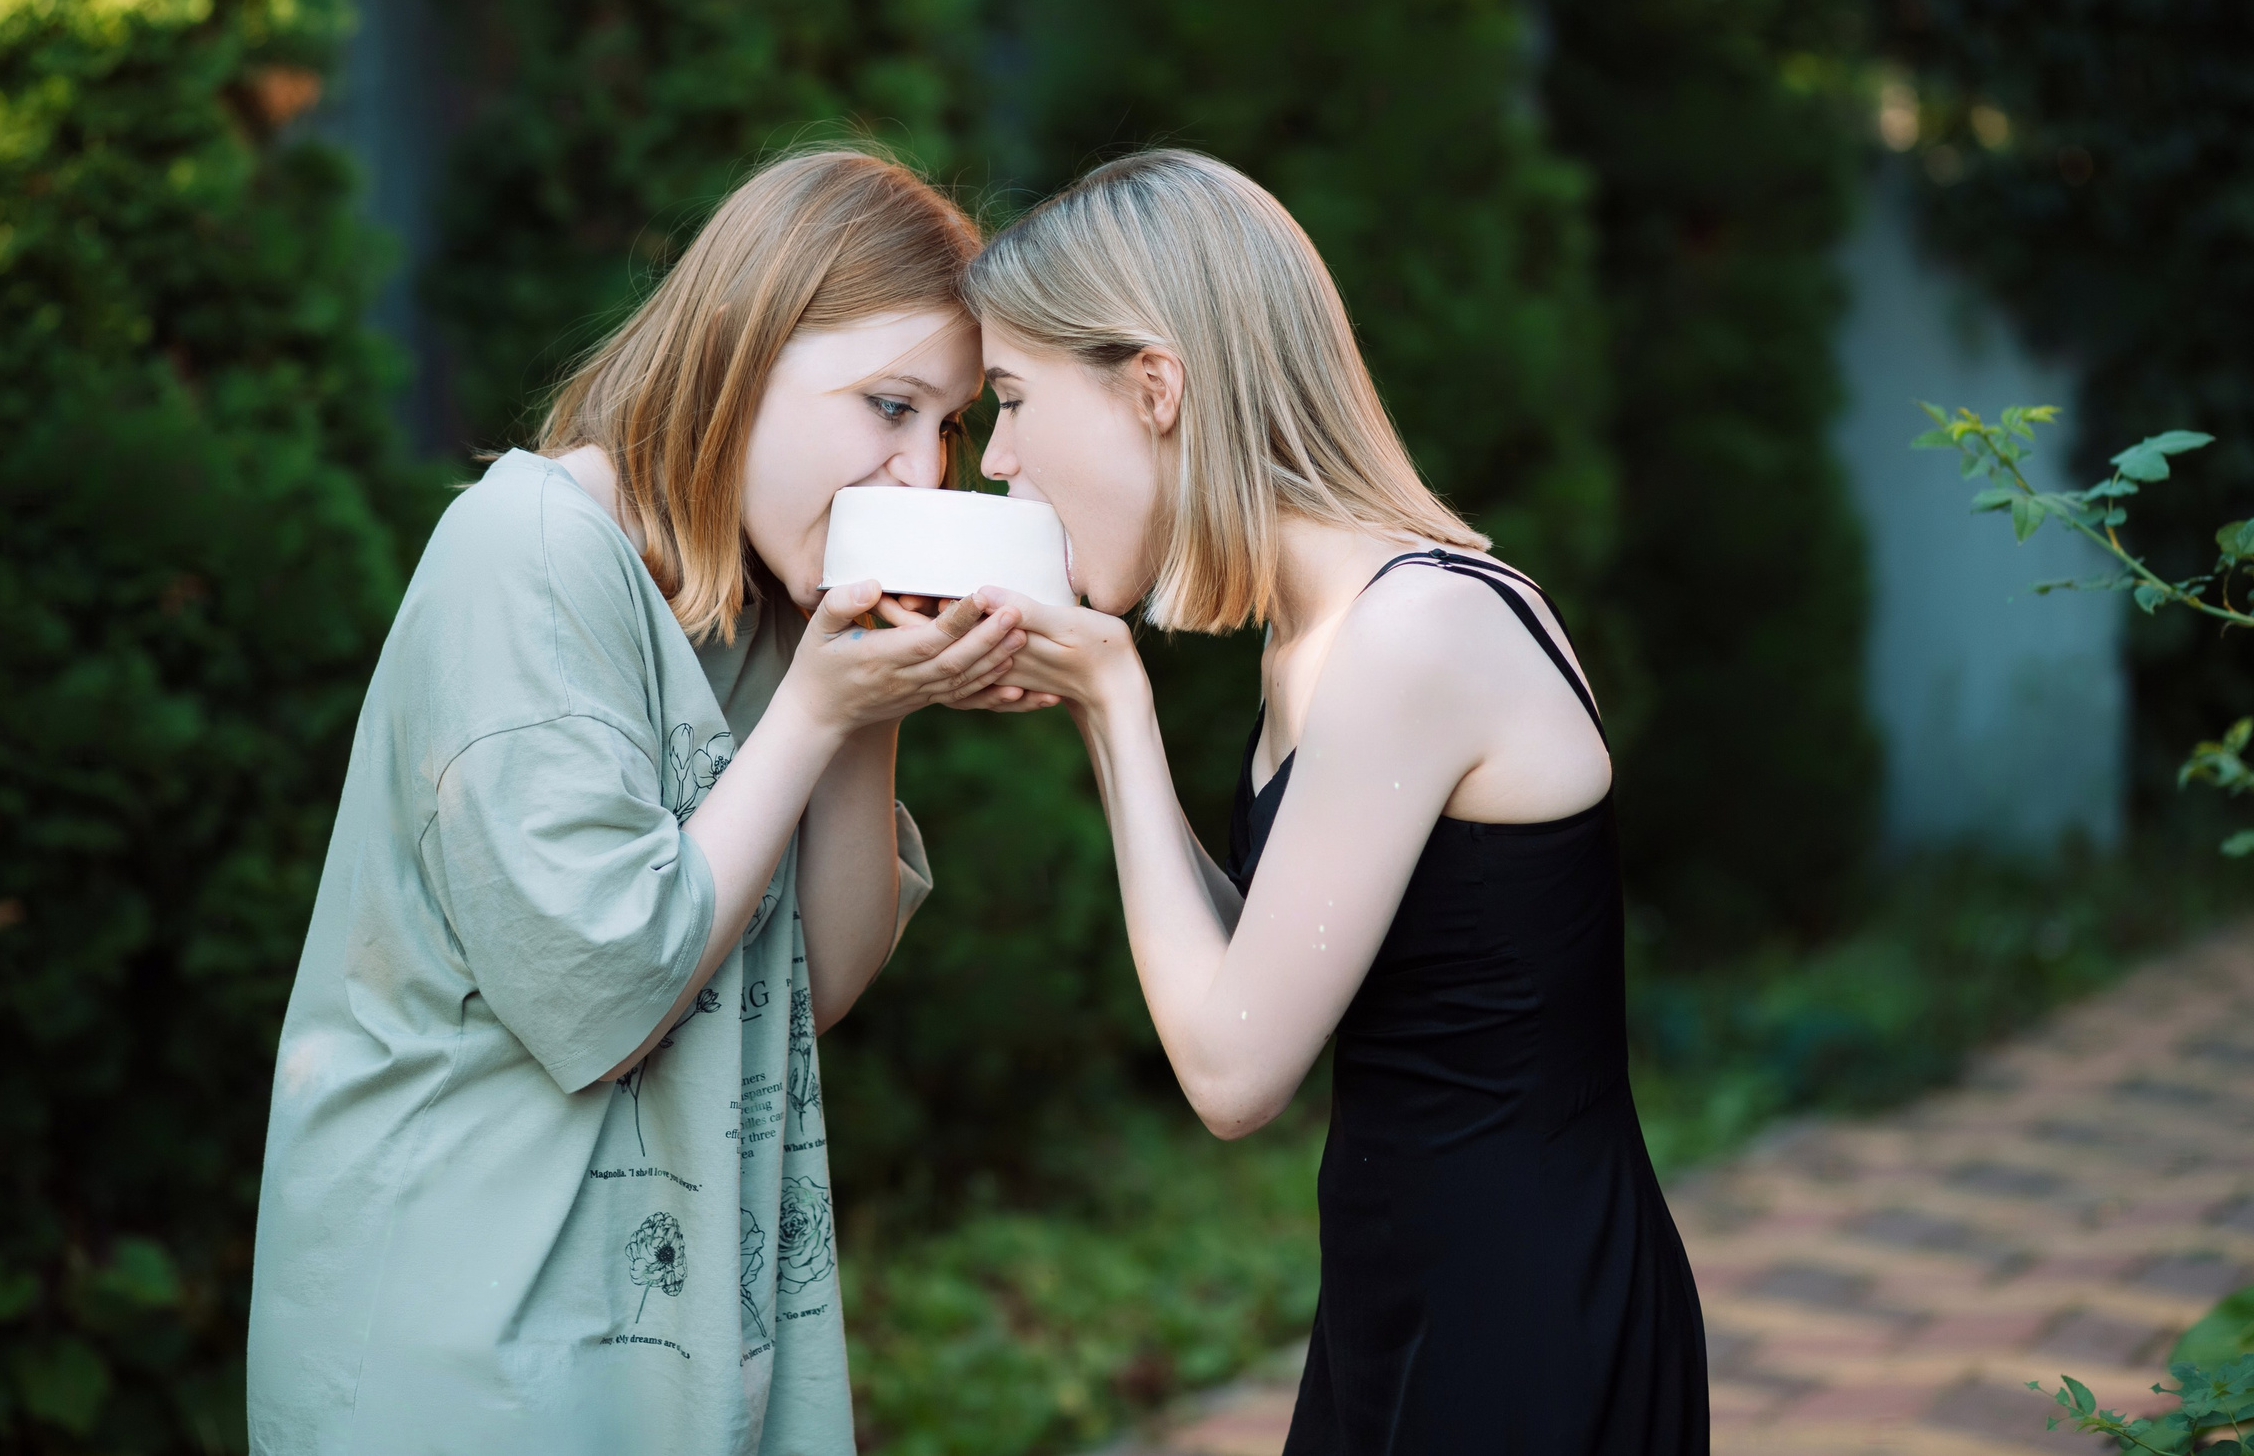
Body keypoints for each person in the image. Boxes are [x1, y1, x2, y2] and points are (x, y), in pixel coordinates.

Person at [248, 149, 1035, 1455]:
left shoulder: (769, 605)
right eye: (890, 405)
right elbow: (603, 993)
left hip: (667, 1331)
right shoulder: (526, 552)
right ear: (742, 345)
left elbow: (822, 980)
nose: (922, 472)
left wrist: (871, 698)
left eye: (947, 425)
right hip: (474, 1346)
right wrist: (818, 710)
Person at [966, 149, 1709, 1453]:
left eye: (1015, 400)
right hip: (1408, 1296)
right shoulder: (1322, 633)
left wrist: (1119, 705)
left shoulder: (1414, 635)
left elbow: (1234, 1070)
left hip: (1520, 1326)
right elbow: (1265, 968)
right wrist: (1097, 709)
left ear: (1155, 386)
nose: (996, 459)